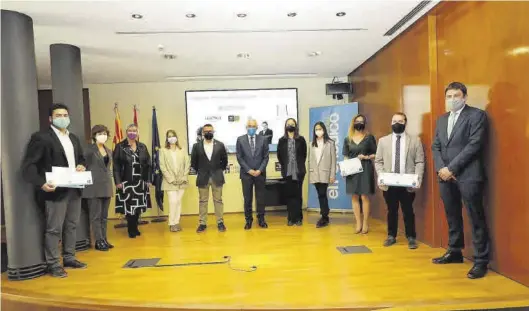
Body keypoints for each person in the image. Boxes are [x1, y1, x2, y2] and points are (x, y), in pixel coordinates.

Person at [21, 103, 87, 278]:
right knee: (54, 229)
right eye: (58, 115)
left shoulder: (73, 138)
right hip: (55, 191)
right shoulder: (41, 138)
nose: (63, 118)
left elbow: (81, 158)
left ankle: (69, 257)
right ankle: (53, 264)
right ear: (50, 119)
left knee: (72, 225)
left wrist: (81, 165)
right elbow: (29, 166)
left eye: (65, 115)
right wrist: (41, 183)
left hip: (74, 188)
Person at [432, 82, 490, 279]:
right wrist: (442, 169)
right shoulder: (441, 119)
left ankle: (481, 261)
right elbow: (436, 146)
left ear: (465, 97)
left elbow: (474, 145)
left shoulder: (477, 115)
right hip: (445, 176)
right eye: (449, 96)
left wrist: (452, 168)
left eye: (456, 95)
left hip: (468, 175)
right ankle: (455, 251)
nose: (452, 99)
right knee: (452, 214)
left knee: (476, 217)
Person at [375, 113, 424, 249]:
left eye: (400, 121)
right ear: (391, 122)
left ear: (405, 123)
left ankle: (411, 237)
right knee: (391, 210)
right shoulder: (383, 141)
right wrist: (381, 176)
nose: (397, 123)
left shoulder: (415, 141)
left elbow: (419, 161)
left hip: (407, 183)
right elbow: (378, 161)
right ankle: (391, 236)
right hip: (389, 183)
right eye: (394, 121)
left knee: (408, 210)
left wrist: (417, 178)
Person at [113, 124, 152, 238]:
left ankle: (135, 227)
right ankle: (131, 229)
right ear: (126, 132)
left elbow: (148, 165)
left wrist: (148, 179)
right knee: (129, 207)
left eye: (134, 131)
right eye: (130, 130)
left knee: (138, 206)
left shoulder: (142, 146)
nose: (132, 132)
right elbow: (116, 166)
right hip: (126, 182)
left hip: (140, 181)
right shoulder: (120, 147)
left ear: (137, 132)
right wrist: (118, 181)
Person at [191, 124, 228, 233]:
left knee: (218, 200)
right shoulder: (196, 146)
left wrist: (217, 170)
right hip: (203, 177)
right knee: (203, 201)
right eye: (206, 131)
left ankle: (220, 222)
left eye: (210, 131)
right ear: (202, 133)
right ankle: (202, 223)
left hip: (217, 176)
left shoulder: (220, 145)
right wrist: (202, 170)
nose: (208, 133)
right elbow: (194, 163)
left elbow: (224, 161)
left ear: (213, 132)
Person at [342, 114, 376, 234]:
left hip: (365, 168)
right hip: (352, 169)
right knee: (354, 196)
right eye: (357, 121)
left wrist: (366, 156)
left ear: (364, 124)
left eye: (361, 121)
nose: (359, 123)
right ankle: (358, 223)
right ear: (353, 123)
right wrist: (344, 170)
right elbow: (345, 156)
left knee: (364, 196)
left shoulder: (369, 137)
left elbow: (376, 154)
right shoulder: (348, 139)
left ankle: (366, 222)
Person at [82, 125, 114, 251]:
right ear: (94, 135)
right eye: (100, 133)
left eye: (105, 133)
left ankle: (104, 238)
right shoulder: (88, 150)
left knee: (104, 216)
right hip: (93, 186)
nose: (103, 136)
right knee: (95, 216)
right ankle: (98, 240)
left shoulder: (109, 150)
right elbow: (82, 165)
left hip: (106, 185)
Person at [236, 119, 270, 230]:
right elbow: (239, 157)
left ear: (257, 127)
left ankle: (261, 219)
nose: (251, 128)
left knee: (261, 198)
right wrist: (248, 170)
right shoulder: (240, 139)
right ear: (246, 127)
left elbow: (266, 157)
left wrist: (260, 170)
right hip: (246, 174)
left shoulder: (263, 139)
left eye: (253, 126)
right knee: (247, 198)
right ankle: (248, 220)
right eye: (249, 126)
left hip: (260, 173)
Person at [277, 118, 307, 226]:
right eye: (288, 124)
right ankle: (290, 218)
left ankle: (298, 218)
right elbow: (279, 156)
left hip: (299, 171)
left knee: (298, 195)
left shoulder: (301, 139)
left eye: (292, 124)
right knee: (289, 195)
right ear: (285, 126)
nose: (290, 125)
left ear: (296, 126)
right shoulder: (281, 140)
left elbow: (304, 155)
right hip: (287, 172)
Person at [159, 130, 190, 232]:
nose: (171, 138)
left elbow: (187, 164)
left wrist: (184, 177)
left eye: (173, 136)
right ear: (167, 139)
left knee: (178, 202)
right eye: (169, 136)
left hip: (182, 181)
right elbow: (162, 166)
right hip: (169, 182)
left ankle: (176, 222)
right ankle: (171, 223)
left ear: (176, 137)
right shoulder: (163, 150)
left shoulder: (182, 150)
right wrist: (171, 179)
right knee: (173, 201)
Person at [309, 122, 337, 228]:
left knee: (322, 193)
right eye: (316, 129)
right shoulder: (311, 143)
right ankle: (325, 214)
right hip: (315, 173)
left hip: (325, 173)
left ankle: (324, 216)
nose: (318, 131)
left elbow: (333, 161)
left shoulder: (330, 143)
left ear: (324, 130)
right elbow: (310, 160)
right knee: (320, 194)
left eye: (320, 129)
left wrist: (332, 175)